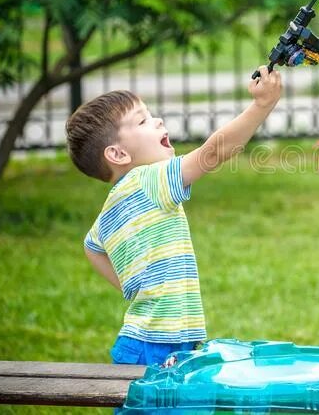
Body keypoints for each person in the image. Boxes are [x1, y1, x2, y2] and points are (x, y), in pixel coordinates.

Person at [65, 66, 282, 366]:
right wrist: (262, 105)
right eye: (142, 120)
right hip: (158, 345)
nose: (157, 120)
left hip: (148, 340)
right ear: (118, 155)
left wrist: (133, 286)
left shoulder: (111, 207)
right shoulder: (148, 180)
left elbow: (92, 247)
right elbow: (214, 153)